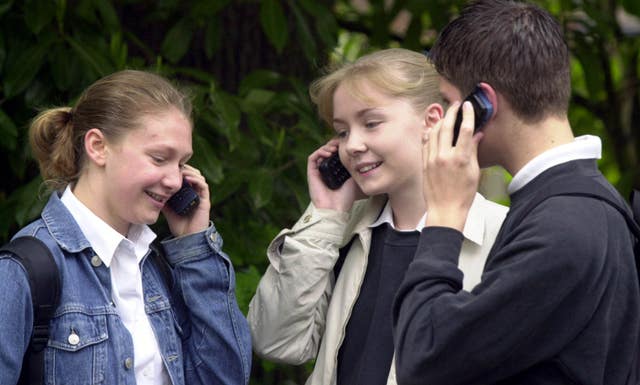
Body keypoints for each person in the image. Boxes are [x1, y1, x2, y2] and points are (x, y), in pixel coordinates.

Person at [391, 1, 640, 384]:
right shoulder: (574, 206)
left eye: (447, 100)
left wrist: (442, 217)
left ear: (484, 104)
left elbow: (424, 358)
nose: (439, 119)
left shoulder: (564, 228)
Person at [247, 48, 508, 385]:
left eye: (371, 123)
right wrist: (326, 213)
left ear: (431, 121)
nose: (352, 145)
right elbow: (275, 342)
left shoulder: (504, 235)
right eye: (342, 131)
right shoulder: (338, 230)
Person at [0, 70, 252, 385]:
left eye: (181, 162)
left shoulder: (162, 266)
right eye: (160, 158)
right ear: (98, 147)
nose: (175, 181)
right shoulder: (24, 270)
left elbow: (227, 378)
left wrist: (195, 247)